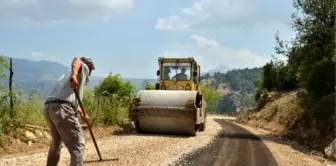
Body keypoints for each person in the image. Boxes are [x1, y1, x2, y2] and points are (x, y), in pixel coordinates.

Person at [43, 56, 95, 166]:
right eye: (92, 69)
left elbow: (70, 98)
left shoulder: (65, 77)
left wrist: (81, 112)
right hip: (62, 108)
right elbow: (77, 60)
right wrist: (75, 76)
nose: (91, 72)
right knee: (78, 145)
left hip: (50, 107)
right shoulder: (81, 69)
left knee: (56, 144)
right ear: (89, 67)